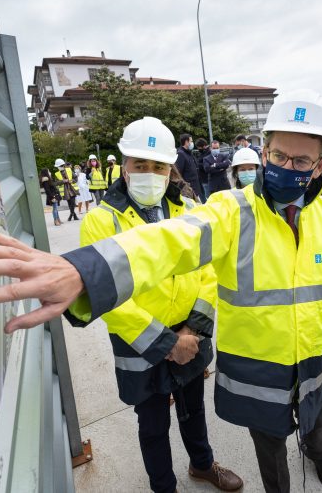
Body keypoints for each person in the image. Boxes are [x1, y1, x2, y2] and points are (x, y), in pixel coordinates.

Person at [0, 89, 322, 493]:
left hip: (303, 357)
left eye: (300, 161)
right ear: (263, 152)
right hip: (207, 356)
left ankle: (302, 458)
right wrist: (86, 272)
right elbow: (167, 243)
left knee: (300, 419)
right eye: (278, 156)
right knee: (190, 432)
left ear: (320, 165)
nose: (287, 167)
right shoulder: (232, 210)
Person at [77, 117, 242, 493]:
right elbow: (106, 298)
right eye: (141, 165)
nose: (150, 174)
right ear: (124, 165)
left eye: (159, 166)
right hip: (140, 340)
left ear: (171, 169)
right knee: (152, 422)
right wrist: (167, 343)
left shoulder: (188, 209)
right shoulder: (101, 222)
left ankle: (202, 465)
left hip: (190, 330)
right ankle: (163, 487)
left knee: (193, 409)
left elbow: (209, 273)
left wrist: (192, 330)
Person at [175, 134, 205, 202]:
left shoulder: (189, 153)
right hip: (189, 192)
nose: (192, 143)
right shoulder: (181, 154)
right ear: (186, 142)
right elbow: (178, 174)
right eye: (191, 141)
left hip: (196, 190)